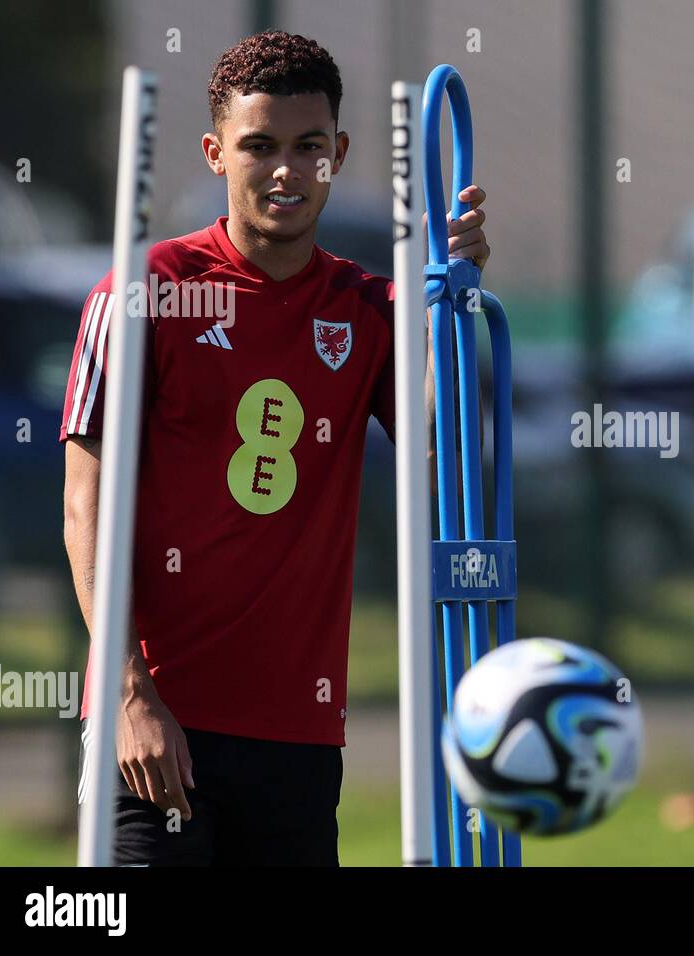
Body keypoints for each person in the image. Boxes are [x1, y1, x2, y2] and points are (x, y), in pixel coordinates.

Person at [60, 30, 490, 865]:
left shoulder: (374, 308)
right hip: (154, 721)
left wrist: (454, 305)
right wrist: (126, 696)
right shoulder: (144, 292)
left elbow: (439, 457)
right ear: (217, 152)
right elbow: (86, 505)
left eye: (309, 147)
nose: (286, 171)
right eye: (259, 146)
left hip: (297, 731)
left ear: (341, 154)